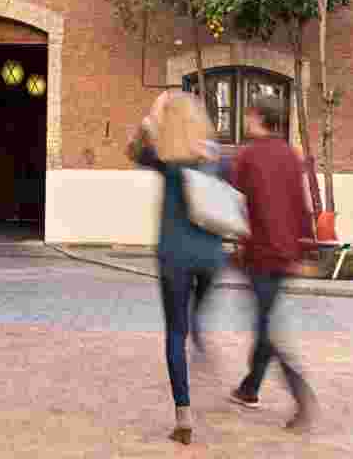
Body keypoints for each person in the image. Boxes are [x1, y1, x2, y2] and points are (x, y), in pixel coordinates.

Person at [128, 91, 224, 446]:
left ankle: (183, 413)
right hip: (211, 256)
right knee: (195, 310)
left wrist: (155, 109)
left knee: (174, 334)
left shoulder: (164, 159)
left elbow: (133, 147)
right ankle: (199, 326)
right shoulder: (213, 156)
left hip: (174, 256)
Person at [227, 96, 319, 430]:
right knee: (265, 321)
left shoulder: (248, 156)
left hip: (261, 253)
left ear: (258, 118)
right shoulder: (290, 156)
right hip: (285, 254)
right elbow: (301, 205)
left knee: (267, 328)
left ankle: (300, 395)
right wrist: (307, 250)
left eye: (249, 116)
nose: (246, 121)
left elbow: (233, 204)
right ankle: (249, 388)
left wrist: (233, 243)